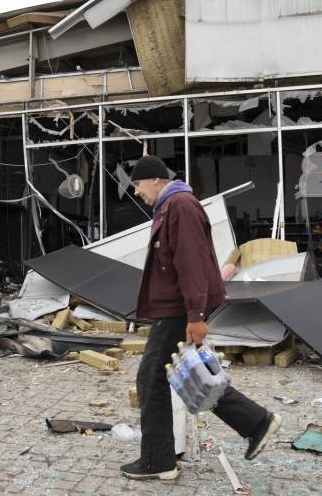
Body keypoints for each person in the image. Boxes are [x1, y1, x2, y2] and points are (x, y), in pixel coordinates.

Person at [121, 156, 281, 480]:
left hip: (180, 309)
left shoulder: (179, 205)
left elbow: (191, 263)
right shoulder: (172, 205)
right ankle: (255, 422)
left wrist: (195, 314)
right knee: (185, 374)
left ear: (154, 179)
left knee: (153, 378)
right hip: (178, 307)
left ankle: (159, 460)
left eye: (137, 185)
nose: (137, 193)